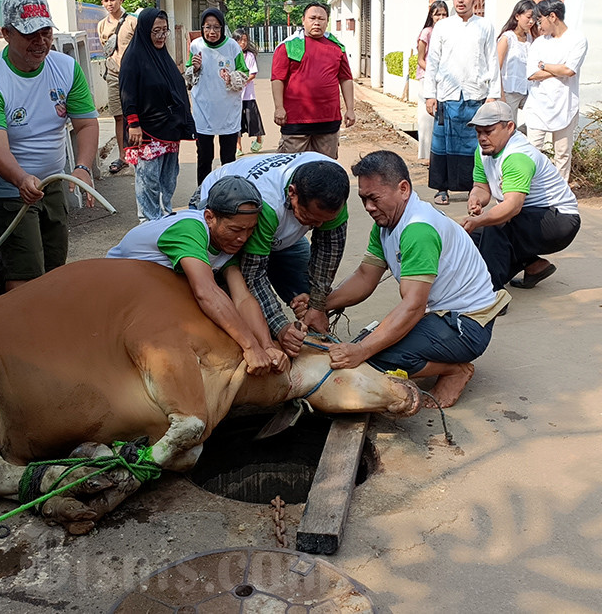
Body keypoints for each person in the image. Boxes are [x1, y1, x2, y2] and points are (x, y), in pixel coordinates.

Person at [314, 151, 509, 408]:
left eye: (374, 198)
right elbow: (364, 276)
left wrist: (362, 351)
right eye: (363, 199)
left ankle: (455, 370)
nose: (368, 207)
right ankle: (430, 358)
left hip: (467, 325)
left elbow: (414, 306)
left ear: (403, 189)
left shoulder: (418, 230)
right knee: (364, 347)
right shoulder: (385, 223)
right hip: (438, 315)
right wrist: (319, 306)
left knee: (371, 359)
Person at [0, 0, 99, 292]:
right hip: (7, 186)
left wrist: (82, 168)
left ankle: (48, 325)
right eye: (30, 34)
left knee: (54, 262)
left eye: (46, 32)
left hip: (52, 179)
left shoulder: (65, 68)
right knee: (26, 269)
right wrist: (20, 179)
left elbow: (86, 123)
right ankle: (23, 334)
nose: (40, 41)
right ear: (6, 34)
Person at [107, 176, 288, 374]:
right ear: (209, 217)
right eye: (236, 229)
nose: (242, 238)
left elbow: (243, 298)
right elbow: (206, 292)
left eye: (250, 230)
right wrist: (250, 347)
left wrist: (267, 345)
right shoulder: (190, 229)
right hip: (116, 293)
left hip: (153, 290)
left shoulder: (226, 242)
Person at [191, 153, 350, 358]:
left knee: (307, 300)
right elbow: (254, 275)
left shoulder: (333, 187)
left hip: (278, 232)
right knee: (238, 318)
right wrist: (280, 326)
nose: (318, 226)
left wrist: (318, 305)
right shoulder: (266, 204)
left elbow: (329, 250)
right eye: (310, 218)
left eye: (324, 220)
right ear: (292, 193)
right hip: (230, 214)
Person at [461, 101, 581, 290]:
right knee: (473, 236)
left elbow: (512, 206)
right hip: (531, 215)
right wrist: (475, 199)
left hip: (560, 220)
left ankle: (490, 295)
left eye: (489, 131)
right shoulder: (483, 151)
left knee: (496, 225)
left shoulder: (517, 156)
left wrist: (480, 220)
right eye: (479, 132)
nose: (482, 138)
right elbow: (481, 187)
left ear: (509, 127)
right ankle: (534, 266)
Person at [422, 0, 500, 206]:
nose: (460, 0)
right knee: (443, 144)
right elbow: (432, 62)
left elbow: (492, 61)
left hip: (476, 96)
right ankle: (441, 188)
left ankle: (476, 188)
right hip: (447, 95)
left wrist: (493, 94)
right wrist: (430, 94)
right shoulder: (443, 27)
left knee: (475, 144)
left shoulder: (485, 26)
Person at [119, 7, 195, 221]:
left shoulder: (162, 56)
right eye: (156, 31)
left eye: (165, 31)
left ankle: (164, 214)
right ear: (144, 30)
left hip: (169, 128)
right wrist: (133, 123)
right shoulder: (133, 57)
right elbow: (127, 92)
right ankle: (148, 221)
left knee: (169, 178)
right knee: (148, 179)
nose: (161, 36)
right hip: (147, 131)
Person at [271, 2, 356, 160]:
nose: (317, 22)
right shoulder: (289, 46)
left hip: (328, 120)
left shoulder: (337, 47)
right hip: (295, 120)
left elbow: (345, 79)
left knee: (325, 169)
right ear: (303, 20)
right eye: (312, 18)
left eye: (321, 19)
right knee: (291, 168)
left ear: (327, 21)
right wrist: (279, 108)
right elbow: (278, 79)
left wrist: (350, 108)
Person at [523, 0, 588, 183]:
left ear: (553, 17)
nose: (539, 25)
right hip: (538, 104)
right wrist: (558, 69)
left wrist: (545, 65)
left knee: (562, 153)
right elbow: (532, 74)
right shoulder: (538, 43)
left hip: (565, 104)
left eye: (540, 20)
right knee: (532, 150)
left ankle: (560, 193)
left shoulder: (577, 40)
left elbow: (569, 70)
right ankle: (528, 189)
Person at [186, 8, 249, 185]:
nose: (211, 32)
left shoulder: (232, 46)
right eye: (207, 27)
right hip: (203, 111)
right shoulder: (196, 45)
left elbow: (244, 73)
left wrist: (231, 78)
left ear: (222, 28)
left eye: (216, 27)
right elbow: (189, 76)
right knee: (204, 157)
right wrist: (195, 68)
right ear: (202, 28)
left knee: (228, 158)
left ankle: (227, 193)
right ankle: (203, 193)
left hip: (228, 111)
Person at [96, 0, 138, 174]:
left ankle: (138, 154)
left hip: (134, 76)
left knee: (137, 115)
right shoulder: (101, 25)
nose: (109, 3)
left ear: (121, 1)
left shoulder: (132, 22)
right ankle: (122, 156)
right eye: (106, 1)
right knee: (118, 116)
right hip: (113, 76)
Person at [415, 1, 449, 166]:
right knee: (427, 118)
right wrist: (433, 72)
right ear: (431, 16)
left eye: (444, 14)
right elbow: (420, 59)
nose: (441, 18)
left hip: (445, 81)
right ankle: (426, 155)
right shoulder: (427, 33)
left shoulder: (450, 32)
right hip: (426, 78)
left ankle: (438, 154)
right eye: (437, 14)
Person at [496, 0, 538, 122]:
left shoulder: (531, 39)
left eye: (534, 18)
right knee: (509, 127)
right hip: (509, 92)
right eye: (528, 17)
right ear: (517, 16)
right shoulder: (507, 38)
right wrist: (501, 95)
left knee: (537, 121)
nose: (531, 21)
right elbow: (496, 68)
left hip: (528, 91)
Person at [233, 29, 265, 155]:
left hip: (248, 95)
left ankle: (259, 139)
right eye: (240, 40)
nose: (243, 43)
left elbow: (253, 73)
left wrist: (242, 81)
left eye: (245, 40)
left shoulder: (249, 56)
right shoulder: (231, 55)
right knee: (237, 122)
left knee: (253, 119)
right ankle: (238, 146)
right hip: (235, 95)